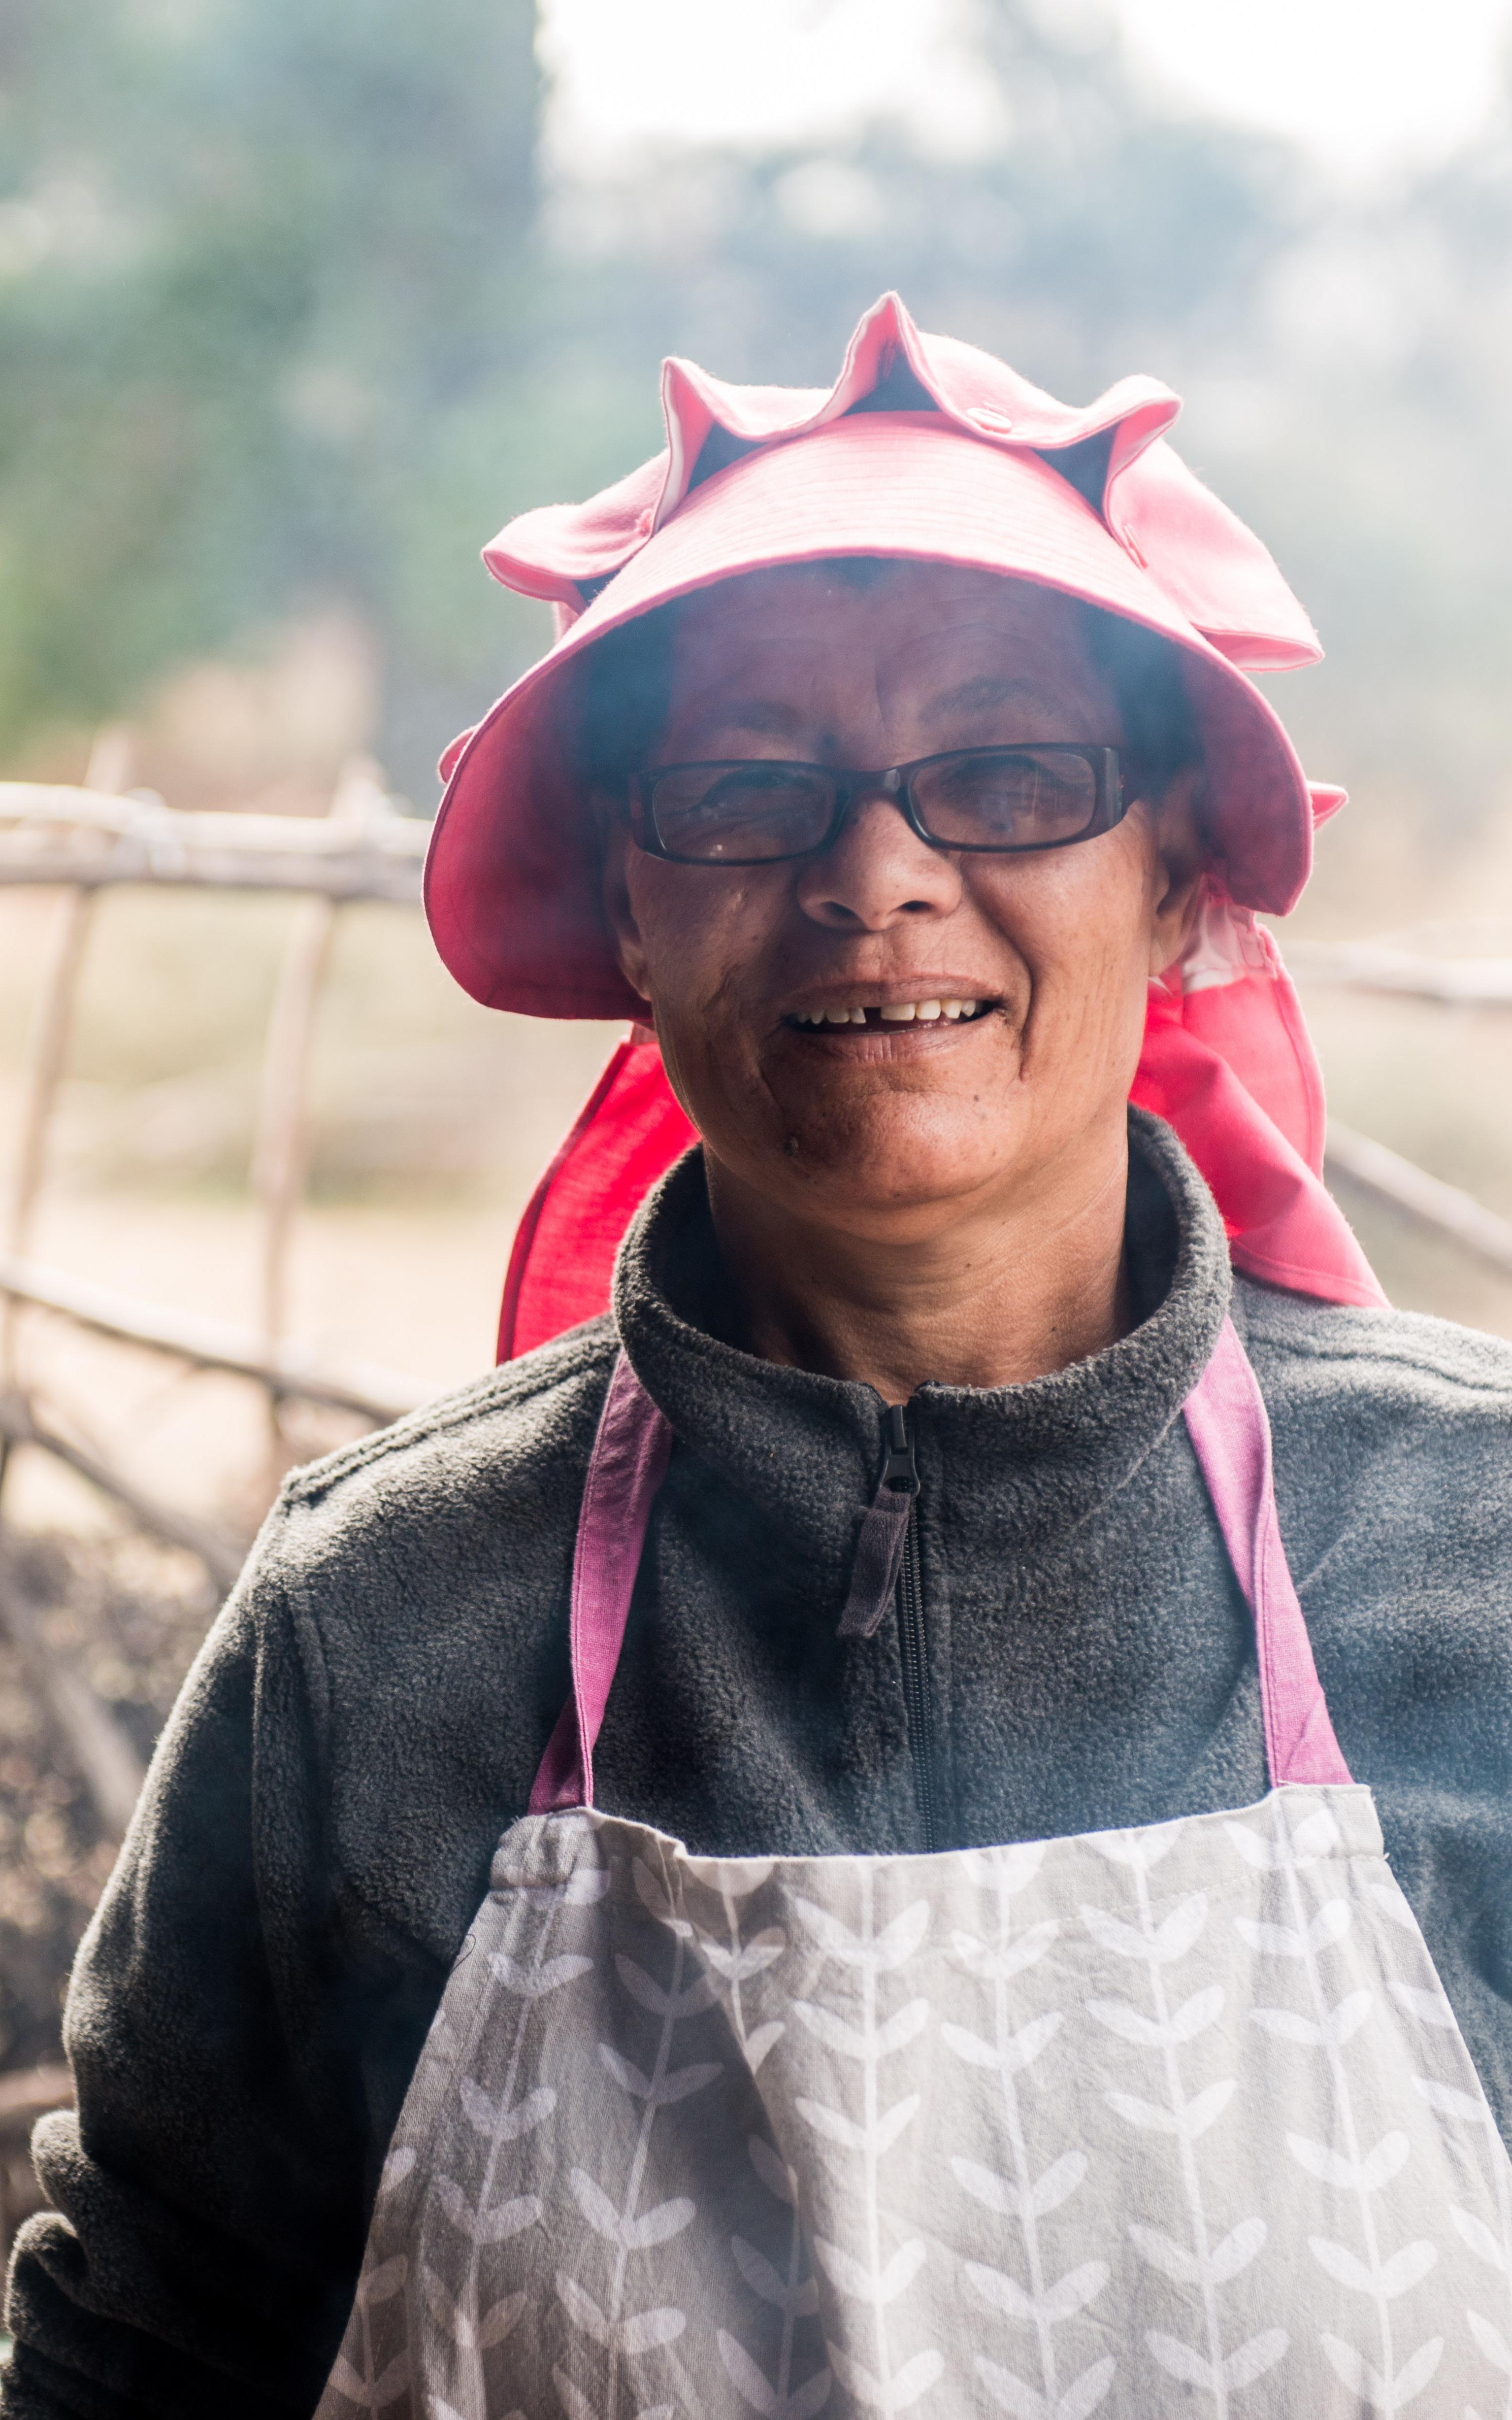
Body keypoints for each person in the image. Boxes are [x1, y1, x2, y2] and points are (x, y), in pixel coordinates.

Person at [3, 293, 1511, 2420]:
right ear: (631, 908)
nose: (874, 871)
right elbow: (140, 2355)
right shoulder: (387, 1623)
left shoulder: (1475, 1556)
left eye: (1004, 770)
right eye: (745, 789)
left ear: (1175, 880)